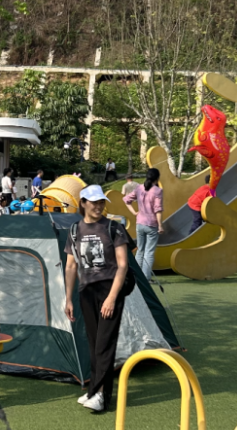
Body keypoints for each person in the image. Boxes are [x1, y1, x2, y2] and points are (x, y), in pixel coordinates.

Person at [63, 184, 130, 412]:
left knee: (104, 343)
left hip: (110, 289)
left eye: (101, 202)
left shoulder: (114, 228)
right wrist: (68, 298)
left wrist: (112, 297)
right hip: (86, 291)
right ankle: (94, 391)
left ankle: (101, 396)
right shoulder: (74, 230)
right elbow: (71, 266)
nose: (98, 206)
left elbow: (122, 265)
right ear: (83, 203)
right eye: (94, 202)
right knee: (94, 345)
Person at [122, 167, 163, 280]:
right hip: (151, 224)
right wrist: (160, 225)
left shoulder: (139, 188)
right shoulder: (157, 191)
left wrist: (134, 212)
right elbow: (158, 209)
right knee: (149, 252)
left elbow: (126, 200)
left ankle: (135, 275)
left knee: (140, 250)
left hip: (140, 223)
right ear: (157, 178)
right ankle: (146, 278)